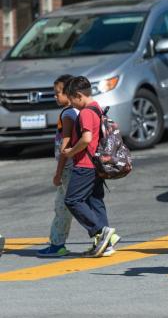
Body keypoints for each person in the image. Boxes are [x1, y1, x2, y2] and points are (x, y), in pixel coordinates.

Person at [62, 76, 119, 258]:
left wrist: (71, 152)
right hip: (96, 164)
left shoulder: (86, 112)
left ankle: (101, 231)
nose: (71, 104)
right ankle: (106, 244)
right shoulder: (97, 109)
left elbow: (86, 139)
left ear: (78, 95)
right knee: (95, 201)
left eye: (71, 100)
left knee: (72, 199)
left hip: (85, 164)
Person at [37, 74, 79, 257]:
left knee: (66, 206)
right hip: (77, 167)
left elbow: (65, 147)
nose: (55, 96)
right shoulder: (77, 112)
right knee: (74, 205)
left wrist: (58, 173)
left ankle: (57, 244)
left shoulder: (68, 114)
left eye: (57, 93)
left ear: (68, 93)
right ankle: (101, 235)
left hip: (69, 168)